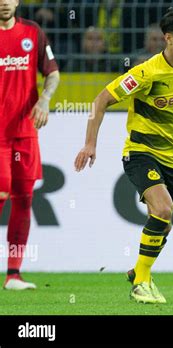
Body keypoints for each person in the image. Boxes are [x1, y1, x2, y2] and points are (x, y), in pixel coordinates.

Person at [74, 8, 173, 304]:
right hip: (141, 152)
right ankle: (141, 282)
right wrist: (90, 144)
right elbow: (101, 99)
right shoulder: (147, 72)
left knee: (163, 224)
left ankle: (139, 272)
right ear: (168, 39)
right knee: (164, 210)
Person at [0, 0, 60, 290]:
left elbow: (52, 73)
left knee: (23, 200)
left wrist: (45, 101)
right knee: (2, 192)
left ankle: (13, 274)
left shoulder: (32, 32)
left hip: (24, 132)